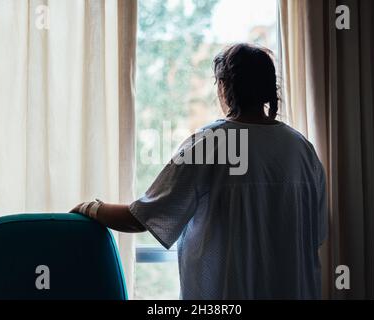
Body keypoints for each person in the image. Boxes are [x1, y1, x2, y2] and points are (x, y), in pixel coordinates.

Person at [70, 43, 327, 299]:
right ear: (270, 90)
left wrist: (90, 209)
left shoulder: (209, 143)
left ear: (225, 87)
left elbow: (141, 218)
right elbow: (315, 237)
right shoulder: (302, 149)